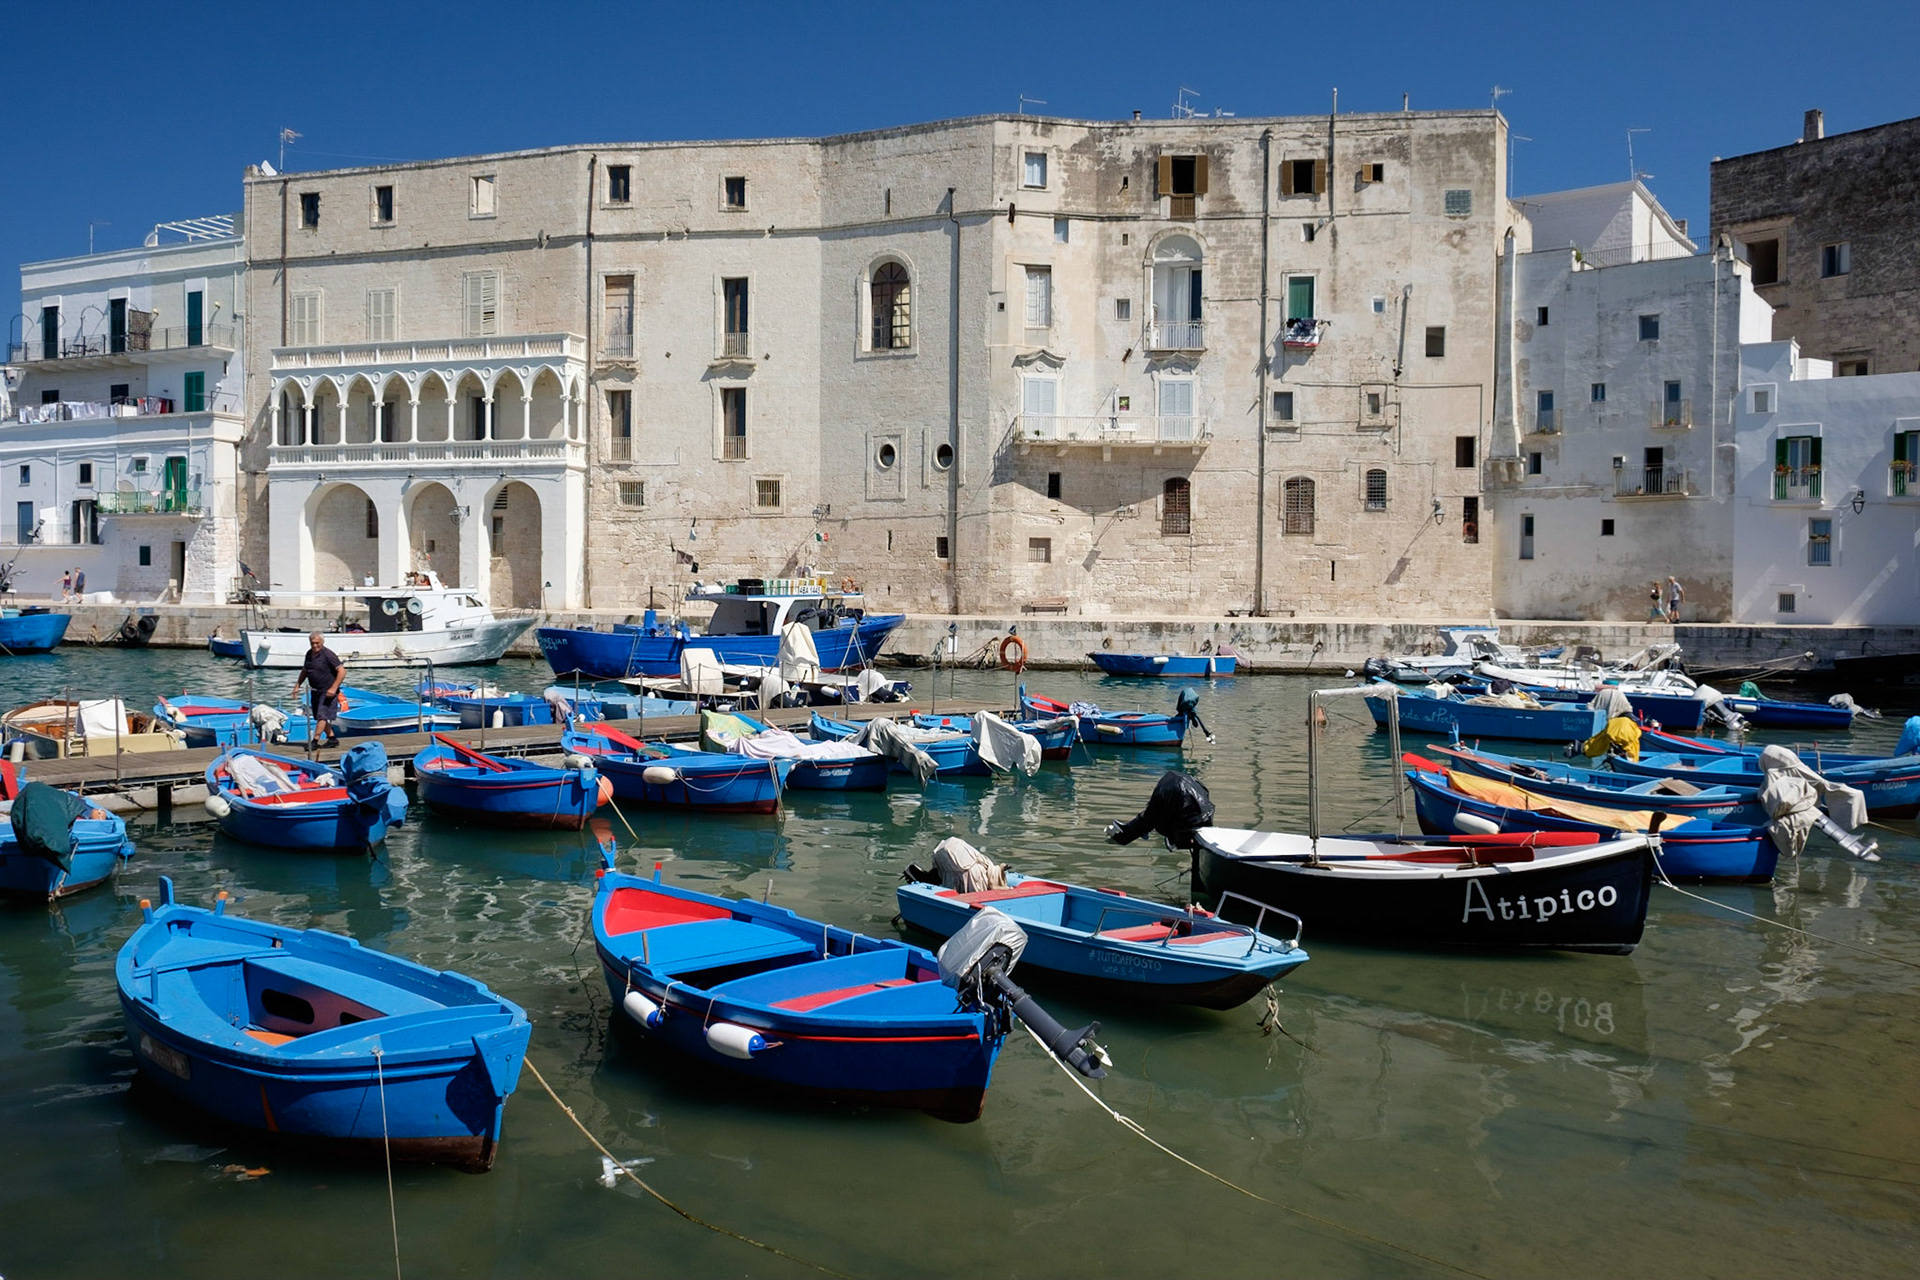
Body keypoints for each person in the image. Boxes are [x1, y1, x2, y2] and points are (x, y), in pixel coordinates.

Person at [292, 632, 345, 749]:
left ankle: (314, 741)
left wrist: (334, 688)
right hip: (315, 690)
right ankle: (332, 739)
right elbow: (305, 670)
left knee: (322, 716)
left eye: (317, 643)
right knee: (319, 716)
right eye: (312, 643)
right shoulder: (309, 654)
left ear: (322, 642)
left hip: (328, 691)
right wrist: (297, 685)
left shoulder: (328, 654)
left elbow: (342, 671)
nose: (315, 646)